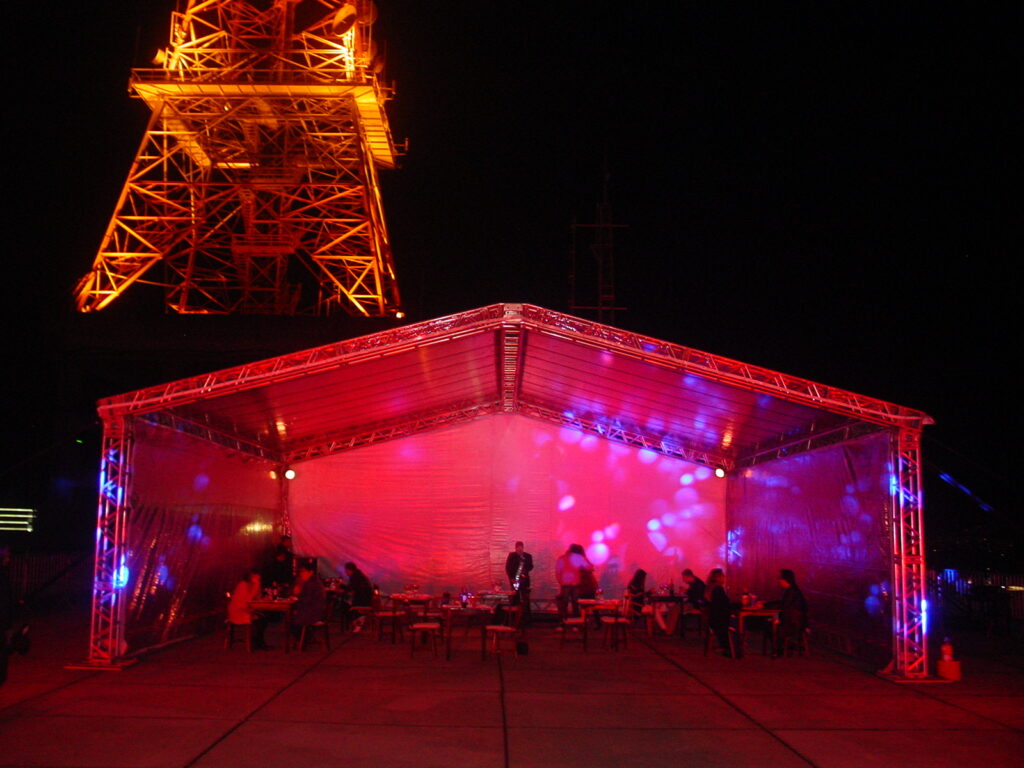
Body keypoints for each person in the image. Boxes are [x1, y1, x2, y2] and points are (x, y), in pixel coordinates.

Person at [768, 568, 809, 653]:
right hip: (794, 621)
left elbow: (783, 605)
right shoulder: (791, 590)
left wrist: (767, 606)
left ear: (785, 580)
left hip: (793, 623)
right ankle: (783, 647)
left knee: (770, 625)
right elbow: (782, 603)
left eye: (779, 578)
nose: (778, 580)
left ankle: (781, 648)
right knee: (770, 623)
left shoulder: (792, 591)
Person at [227, 570, 270, 649]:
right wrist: (257, 585)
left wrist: (259, 589)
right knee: (261, 619)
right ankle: (256, 642)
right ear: (251, 576)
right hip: (239, 611)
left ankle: (258, 642)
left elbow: (257, 598)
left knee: (263, 618)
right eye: (256, 576)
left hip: (245, 609)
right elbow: (248, 599)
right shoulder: (243, 585)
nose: (258, 578)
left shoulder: (251, 585)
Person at [555, 543, 593, 619]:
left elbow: (558, 571)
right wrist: (584, 557)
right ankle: (576, 621)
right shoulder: (578, 558)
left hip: (565, 584)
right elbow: (589, 567)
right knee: (575, 603)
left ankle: (563, 621)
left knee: (564, 603)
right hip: (575, 583)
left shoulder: (562, 558)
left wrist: (560, 581)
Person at [291, 560, 326, 639]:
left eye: (303, 571)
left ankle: (305, 639)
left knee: (293, 622)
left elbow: (306, 600)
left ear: (311, 572)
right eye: (300, 572)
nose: (301, 574)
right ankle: (305, 638)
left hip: (313, 613)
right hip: (315, 611)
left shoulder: (312, 583)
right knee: (293, 619)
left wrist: (297, 595)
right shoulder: (313, 581)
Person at [706, 568, 736, 657]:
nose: (724, 578)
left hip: (713, 619)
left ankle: (729, 646)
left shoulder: (710, 588)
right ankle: (734, 646)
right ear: (718, 577)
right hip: (720, 621)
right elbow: (725, 605)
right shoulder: (718, 589)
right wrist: (740, 604)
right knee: (737, 622)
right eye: (723, 576)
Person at [504, 541, 534, 623]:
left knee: (525, 599)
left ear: (523, 548)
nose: (520, 549)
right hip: (515, 580)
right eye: (518, 548)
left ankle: (526, 619)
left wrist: (524, 568)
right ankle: (515, 619)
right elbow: (508, 567)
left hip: (524, 581)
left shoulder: (527, 556)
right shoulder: (512, 556)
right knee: (515, 597)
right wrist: (511, 578)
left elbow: (531, 566)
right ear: (516, 548)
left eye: (521, 548)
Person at [340, 561, 373, 632]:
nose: (346, 572)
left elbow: (350, 588)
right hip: (366, 599)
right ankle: (356, 622)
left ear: (349, 570)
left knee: (344, 605)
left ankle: (356, 622)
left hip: (362, 601)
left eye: (346, 570)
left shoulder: (355, 577)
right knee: (347, 603)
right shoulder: (359, 575)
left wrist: (342, 587)